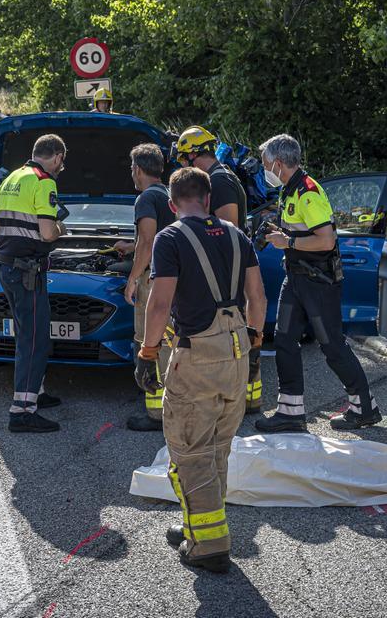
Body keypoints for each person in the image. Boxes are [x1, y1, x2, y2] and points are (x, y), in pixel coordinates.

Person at [138, 167, 266, 573]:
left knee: (190, 452)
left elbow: (159, 305)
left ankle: (209, 545)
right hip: (237, 354)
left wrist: (147, 352)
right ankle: (200, 526)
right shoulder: (236, 235)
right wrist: (255, 341)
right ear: (208, 199)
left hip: (197, 355)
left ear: (173, 204)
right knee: (217, 449)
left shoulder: (170, 238)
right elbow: (257, 297)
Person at [253, 134, 380, 433]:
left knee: (332, 346)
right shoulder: (290, 190)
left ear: (279, 163)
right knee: (284, 339)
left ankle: (365, 408)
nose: (264, 170)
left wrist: (288, 241)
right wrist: (274, 231)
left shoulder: (308, 192)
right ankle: (290, 412)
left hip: (318, 282)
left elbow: (326, 239)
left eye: (265, 164)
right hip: (295, 278)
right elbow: (297, 232)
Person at [173, 126, 262, 414]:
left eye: (184, 160)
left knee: (229, 328)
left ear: (193, 156)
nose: (183, 166)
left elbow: (228, 227)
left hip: (227, 266)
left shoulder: (219, 182)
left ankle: (239, 395)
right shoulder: (223, 176)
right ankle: (246, 395)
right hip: (231, 264)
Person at [0, 133, 66, 432]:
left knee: (25, 333)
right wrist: (61, 228)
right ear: (57, 157)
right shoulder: (44, 181)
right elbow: (47, 233)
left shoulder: (13, 178)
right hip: (27, 272)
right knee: (35, 340)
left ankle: (37, 392)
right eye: (62, 162)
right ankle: (21, 411)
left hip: (6, 267)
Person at [113, 143, 176, 432]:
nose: (132, 174)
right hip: (172, 278)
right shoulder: (168, 194)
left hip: (152, 280)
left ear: (138, 169)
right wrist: (131, 245)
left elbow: (149, 241)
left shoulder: (145, 199)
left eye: (131, 169)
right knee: (168, 341)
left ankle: (156, 414)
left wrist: (132, 278)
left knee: (150, 342)